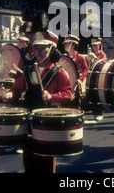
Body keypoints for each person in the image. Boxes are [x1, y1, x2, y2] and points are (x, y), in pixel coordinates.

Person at [17, 30, 73, 173]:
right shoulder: (29, 70)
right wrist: (10, 92)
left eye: (43, 48)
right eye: (36, 48)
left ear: (51, 49)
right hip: (30, 120)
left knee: (45, 160)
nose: (39, 51)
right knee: (29, 158)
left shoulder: (58, 71)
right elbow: (17, 86)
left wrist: (52, 96)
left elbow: (68, 95)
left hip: (48, 122)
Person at [63, 34, 88, 109]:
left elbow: (86, 69)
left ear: (72, 45)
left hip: (75, 84)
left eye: (66, 44)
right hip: (65, 83)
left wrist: (80, 79)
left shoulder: (80, 57)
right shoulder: (64, 57)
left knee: (75, 103)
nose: (64, 45)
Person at [86, 37, 106, 121]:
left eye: (96, 45)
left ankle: (100, 113)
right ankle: (94, 113)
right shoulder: (90, 53)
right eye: (93, 45)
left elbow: (103, 63)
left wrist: (95, 58)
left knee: (99, 95)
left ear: (99, 45)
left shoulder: (102, 54)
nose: (95, 47)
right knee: (92, 94)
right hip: (92, 75)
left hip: (99, 75)